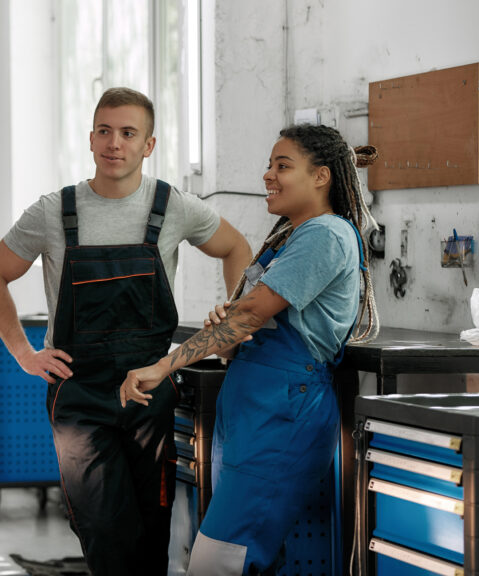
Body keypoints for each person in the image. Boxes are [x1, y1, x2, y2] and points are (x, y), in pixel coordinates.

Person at [0, 87, 252, 575]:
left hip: (149, 391)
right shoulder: (53, 211)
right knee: (103, 530)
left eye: (128, 133)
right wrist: (23, 353)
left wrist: (233, 318)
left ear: (148, 145)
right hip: (79, 393)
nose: (114, 143)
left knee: (152, 528)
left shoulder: (174, 206)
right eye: (105, 131)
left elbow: (236, 247)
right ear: (91, 138)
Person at [120, 124, 380, 574]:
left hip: (281, 413)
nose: (267, 175)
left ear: (321, 177)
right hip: (254, 407)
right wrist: (229, 329)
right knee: (243, 557)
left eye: (283, 166)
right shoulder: (294, 236)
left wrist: (163, 366)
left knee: (220, 560)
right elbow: (246, 318)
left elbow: (250, 316)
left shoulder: (326, 235)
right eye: (269, 165)